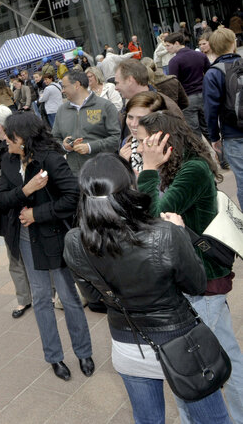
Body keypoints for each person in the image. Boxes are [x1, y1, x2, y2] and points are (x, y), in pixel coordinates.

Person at [63, 154, 232, 424]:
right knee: (212, 420)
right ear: (131, 186)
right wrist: (182, 233)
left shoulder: (74, 241)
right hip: (181, 343)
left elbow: (94, 298)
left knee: (148, 419)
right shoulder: (165, 233)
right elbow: (197, 285)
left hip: (128, 347)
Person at [136, 111, 243, 422]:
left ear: (164, 143)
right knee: (224, 354)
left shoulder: (192, 170)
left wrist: (149, 169)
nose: (140, 147)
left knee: (198, 366)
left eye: (145, 141)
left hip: (203, 282)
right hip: (200, 278)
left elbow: (150, 217)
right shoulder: (185, 166)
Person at [0, 112, 93, 381]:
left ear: (23, 139)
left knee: (69, 297)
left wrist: (37, 214)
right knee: (40, 299)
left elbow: (73, 196)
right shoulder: (8, 161)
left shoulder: (50, 157)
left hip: (53, 236)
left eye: (10, 137)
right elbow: (2, 200)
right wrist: (26, 191)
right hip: (26, 239)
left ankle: (84, 352)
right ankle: (54, 357)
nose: (6, 141)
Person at [0, 105, 31, 319]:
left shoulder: (21, 143)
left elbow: (20, 177)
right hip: (5, 210)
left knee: (36, 253)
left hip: (24, 209)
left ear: (0, 127)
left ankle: (49, 294)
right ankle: (24, 299)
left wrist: (0, 172)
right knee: (15, 258)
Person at [52, 70, 121, 175]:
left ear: (76, 85)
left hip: (104, 171)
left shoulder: (105, 106)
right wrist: (64, 146)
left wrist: (90, 147)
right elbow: (54, 139)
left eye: (64, 87)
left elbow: (115, 139)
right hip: (76, 175)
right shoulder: (62, 110)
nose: (62, 91)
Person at [204, 26, 243, 205]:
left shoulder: (213, 73)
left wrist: (214, 137)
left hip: (233, 134)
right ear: (233, 44)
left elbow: (211, 110)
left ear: (212, 48)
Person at [165, 32, 210, 138]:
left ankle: (202, 154)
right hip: (204, 95)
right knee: (209, 130)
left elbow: (174, 83)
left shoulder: (174, 61)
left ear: (176, 43)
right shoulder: (200, 55)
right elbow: (209, 74)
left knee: (194, 134)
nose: (166, 49)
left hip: (188, 98)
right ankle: (219, 154)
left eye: (168, 45)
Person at [118, 92, 171, 174]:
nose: (133, 124)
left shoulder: (166, 148)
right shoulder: (127, 142)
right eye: (130, 117)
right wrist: (123, 163)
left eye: (141, 119)